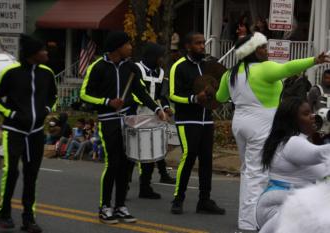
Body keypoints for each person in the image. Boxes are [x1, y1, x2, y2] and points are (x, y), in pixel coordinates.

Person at [215, 32, 329, 231]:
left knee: (248, 170)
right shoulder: (264, 69)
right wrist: (314, 60)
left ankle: (250, 216)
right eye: (262, 47)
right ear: (251, 51)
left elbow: (220, 96)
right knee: (257, 173)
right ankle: (249, 222)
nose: (266, 51)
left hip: (240, 122)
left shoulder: (230, 73)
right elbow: (287, 67)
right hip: (261, 122)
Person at [80, 31, 167, 224]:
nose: (131, 47)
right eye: (127, 44)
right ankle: (104, 207)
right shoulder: (98, 67)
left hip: (128, 119)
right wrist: (107, 101)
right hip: (108, 119)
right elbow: (84, 94)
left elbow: (141, 92)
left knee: (127, 165)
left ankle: (120, 206)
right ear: (118, 47)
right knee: (113, 163)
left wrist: (157, 109)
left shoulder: (131, 67)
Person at [0, 34, 57, 233]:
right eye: (42, 50)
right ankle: (5, 213)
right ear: (32, 54)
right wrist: (11, 113)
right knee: (12, 172)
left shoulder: (47, 73)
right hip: (14, 130)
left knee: (31, 175)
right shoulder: (12, 73)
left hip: (36, 131)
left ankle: (29, 218)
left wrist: (46, 109)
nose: (46, 53)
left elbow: (53, 96)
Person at [169, 31, 225, 215]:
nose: (202, 46)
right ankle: (178, 199)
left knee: (207, 160)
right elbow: (172, 95)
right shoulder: (179, 66)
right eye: (198, 43)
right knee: (189, 156)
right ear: (188, 46)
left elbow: (218, 87)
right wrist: (194, 98)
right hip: (187, 120)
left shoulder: (208, 66)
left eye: (203, 43)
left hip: (206, 119)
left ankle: (204, 201)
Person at [256, 97, 330, 233]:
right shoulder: (293, 142)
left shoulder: (291, 141)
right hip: (280, 205)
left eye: (311, 112)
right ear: (292, 120)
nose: (313, 117)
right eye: (306, 114)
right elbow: (320, 154)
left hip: (287, 203)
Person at [132, 42, 175, 199]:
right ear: (152, 56)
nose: (162, 60)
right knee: (132, 151)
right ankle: (125, 182)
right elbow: (135, 93)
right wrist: (153, 107)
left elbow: (161, 95)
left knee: (151, 151)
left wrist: (165, 107)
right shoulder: (136, 68)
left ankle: (145, 187)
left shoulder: (161, 72)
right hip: (136, 113)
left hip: (155, 115)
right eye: (160, 56)